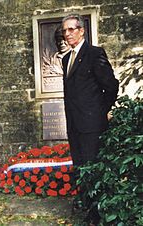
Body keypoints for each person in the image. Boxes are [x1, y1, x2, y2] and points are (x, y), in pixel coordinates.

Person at [61, 14, 119, 224]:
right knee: (81, 168)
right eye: (65, 30)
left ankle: (98, 216)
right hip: (75, 125)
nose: (67, 34)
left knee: (93, 168)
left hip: (93, 125)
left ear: (81, 30)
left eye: (71, 29)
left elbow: (111, 85)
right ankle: (89, 211)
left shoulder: (95, 54)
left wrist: (101, 111)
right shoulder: (67, 59)